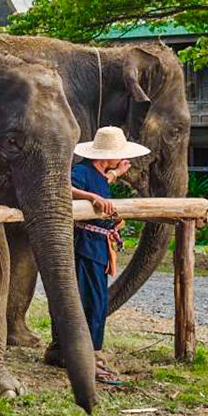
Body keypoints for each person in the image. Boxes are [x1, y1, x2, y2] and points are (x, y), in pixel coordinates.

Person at [70, 126, 148, 386]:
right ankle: (90, 360)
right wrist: (91, 197)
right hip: (86, 246)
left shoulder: (100, 174)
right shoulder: (81, 173)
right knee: (92, 302)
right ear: (107, 155)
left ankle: (90, 355)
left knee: (98, 301)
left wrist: (115, 173)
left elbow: (102, 181)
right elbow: (64, 189)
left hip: (99, 246)